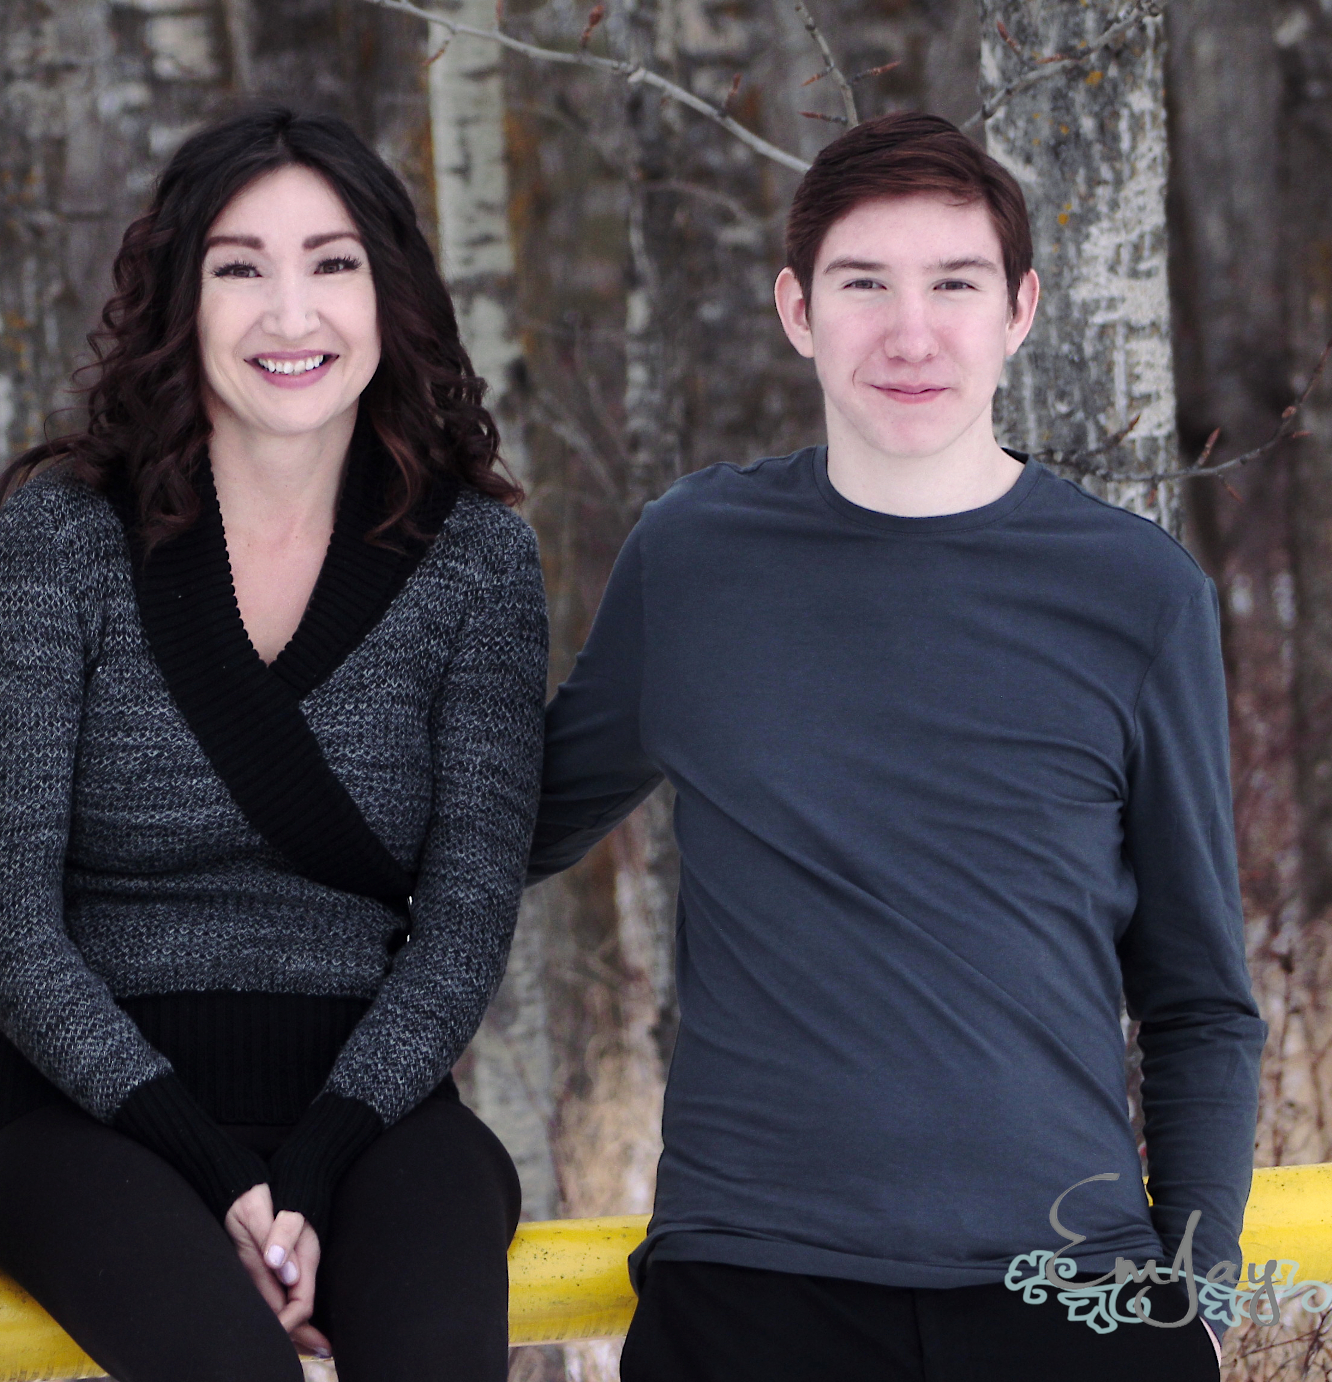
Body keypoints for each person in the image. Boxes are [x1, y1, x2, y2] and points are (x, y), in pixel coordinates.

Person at [530, 112, 1265, 1382]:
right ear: (797, 310)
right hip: (751, 1287)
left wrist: (1193, 1294)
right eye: (864, 283)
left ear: (1020, 309)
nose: (909, 332)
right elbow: (505, 824)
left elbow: (1198, 995)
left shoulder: (1136, 595)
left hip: (1069, 1289)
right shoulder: (695, 562)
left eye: (955, 284)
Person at [0, 106, 545, 1382]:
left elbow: (465, 924)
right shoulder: (63, 540)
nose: (290, 312)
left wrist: (314, 1163)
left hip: (370, 1109)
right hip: (93, 1116)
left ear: (389, 292)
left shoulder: (476, 561)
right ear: (181, 297)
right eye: (239, 267)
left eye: (331, 263)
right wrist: (213, 1168)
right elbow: (6, 925)